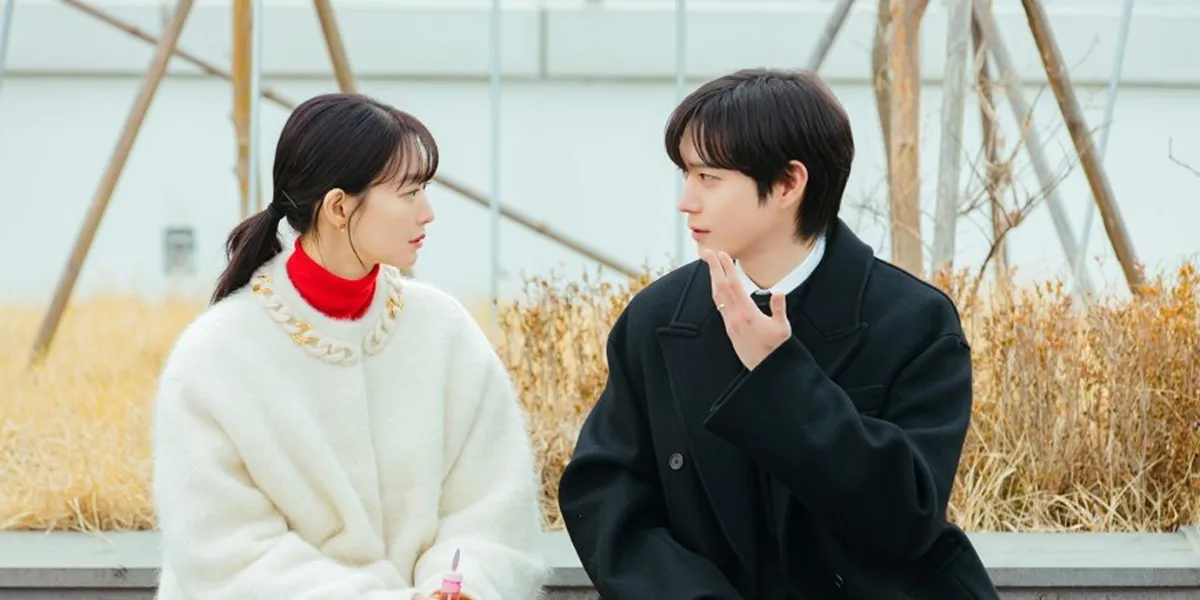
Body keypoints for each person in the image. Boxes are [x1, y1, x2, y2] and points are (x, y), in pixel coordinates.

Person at [557, 68, 1000, 599]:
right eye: (686, 174)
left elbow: (904, 517)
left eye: (709, 178)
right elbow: (604, 494)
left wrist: (779, 376)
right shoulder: (657, 319)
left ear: (789, 183)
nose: (686, 200)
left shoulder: (913, 321)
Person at [150, 93, 547, 600]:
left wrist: (463, 586)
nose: (428, 213)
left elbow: (491, 509)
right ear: (339, 207)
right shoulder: (216, 356)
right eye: (409, 193)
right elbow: (228, 553)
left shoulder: (445, 333)